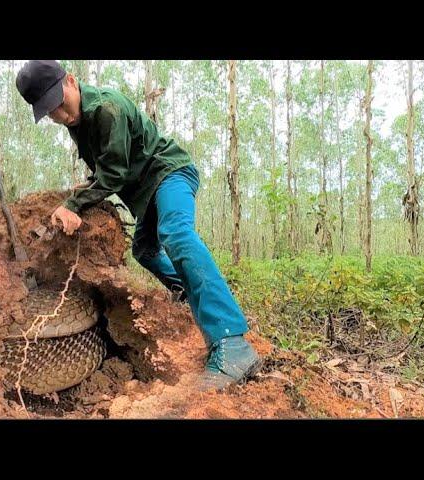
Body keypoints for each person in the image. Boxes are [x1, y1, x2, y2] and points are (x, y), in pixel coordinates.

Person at [15, 60, 261, 390]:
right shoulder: (78, 123)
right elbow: (106, 167)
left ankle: (232, 343)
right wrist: (87, 187)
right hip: (146, 194)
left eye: (60, 103)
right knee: (144, 250)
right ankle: (189, 293)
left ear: (71, 81)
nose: (59, 115)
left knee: (175, 233)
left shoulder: (107, 108)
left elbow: (115, 174)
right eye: (50, 112)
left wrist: (75, 204)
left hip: (169, 174)